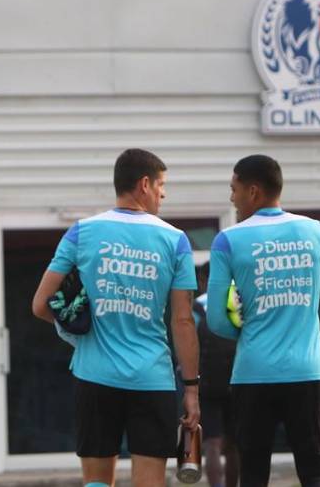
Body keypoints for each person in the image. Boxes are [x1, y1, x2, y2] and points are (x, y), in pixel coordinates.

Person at [31, 148, 200, 487]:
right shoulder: (175, 240)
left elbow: (40, 304)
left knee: (96, 483)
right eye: (161, 185)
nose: (163, 193)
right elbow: (182, 321)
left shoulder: (82, 232)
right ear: (144, 184)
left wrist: (79, 333)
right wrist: (192, 389)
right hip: (151, 378)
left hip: (94, 374)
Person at [206, 155, 320, 487]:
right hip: (308, 372)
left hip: (252, 375)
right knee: (317, 475)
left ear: (253, 192)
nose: (231, 198)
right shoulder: (315, 231)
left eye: (234, 189)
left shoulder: (228, 241)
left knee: (254, 476)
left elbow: (216, 319)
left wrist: (247, 334)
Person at [192, 263, 239, 487]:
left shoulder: (198, 307)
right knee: (234, 444)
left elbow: (188, 342)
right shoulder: (236, 302)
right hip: (236, 381)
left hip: (207, 384)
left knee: (212, 443)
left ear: (203, 281)